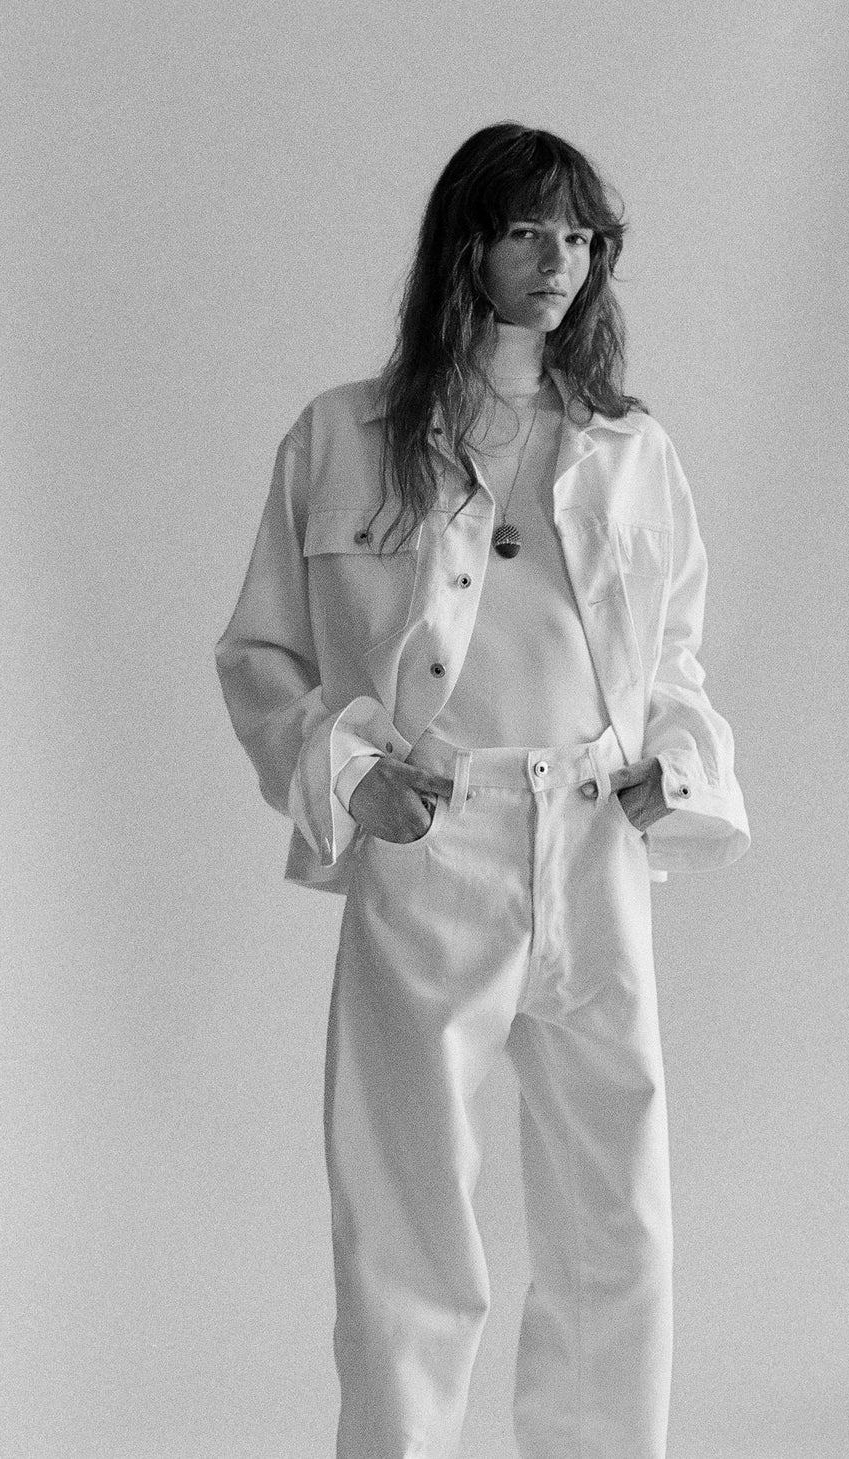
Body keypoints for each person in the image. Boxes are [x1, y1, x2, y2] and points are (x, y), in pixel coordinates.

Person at [215, 122, 750, 1458]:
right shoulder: (344, 438)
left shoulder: (630, 449)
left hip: (592, 837)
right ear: (469, 242)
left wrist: (672, 769)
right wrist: (346, 772)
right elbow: (261, 654)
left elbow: (673, 652)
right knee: (405, 1217)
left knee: (616, 1219)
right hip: (431, 837)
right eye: (530, 230)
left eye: (581, 235)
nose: (559, 258)